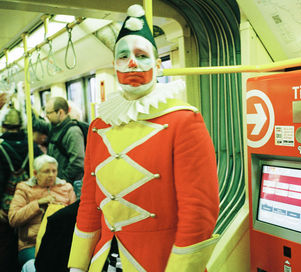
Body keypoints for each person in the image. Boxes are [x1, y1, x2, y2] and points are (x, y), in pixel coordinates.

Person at [68, 4, 220, 272]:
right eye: (123, 56)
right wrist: (78, 265)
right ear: (114, 65)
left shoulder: (184, 120)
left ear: (158, 65)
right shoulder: (98, 126)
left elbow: (198, 214)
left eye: (141, 55)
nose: (132, 63)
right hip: (105, 259)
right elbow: (90, 205)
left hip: (161, 261)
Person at [8, 154, 76, 271]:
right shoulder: (24, 188)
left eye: (54, 171)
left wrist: (62, 211)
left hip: (61, 244)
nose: (51, 175)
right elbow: (13, 219)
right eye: (46, 171)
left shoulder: (66, 188)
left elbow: (75, 218)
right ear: (35, 173)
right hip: (31, 245)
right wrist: (37, 204)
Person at [0, 108, 43, 272]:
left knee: (5, 247)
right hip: (30, 204)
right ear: (22, 126)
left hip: (5, 206)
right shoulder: (33, 147)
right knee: (27, 242)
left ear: (3, 126)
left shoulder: (1, 147)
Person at [33, 96, 85, 194]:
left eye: (48, 113)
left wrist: (62, 181)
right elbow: (35, 123)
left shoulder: (73, 132)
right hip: (58, 184)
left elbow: (78, 162)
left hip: (69, 186)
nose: (46, 116)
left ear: (60, 112)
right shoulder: (53, 128)